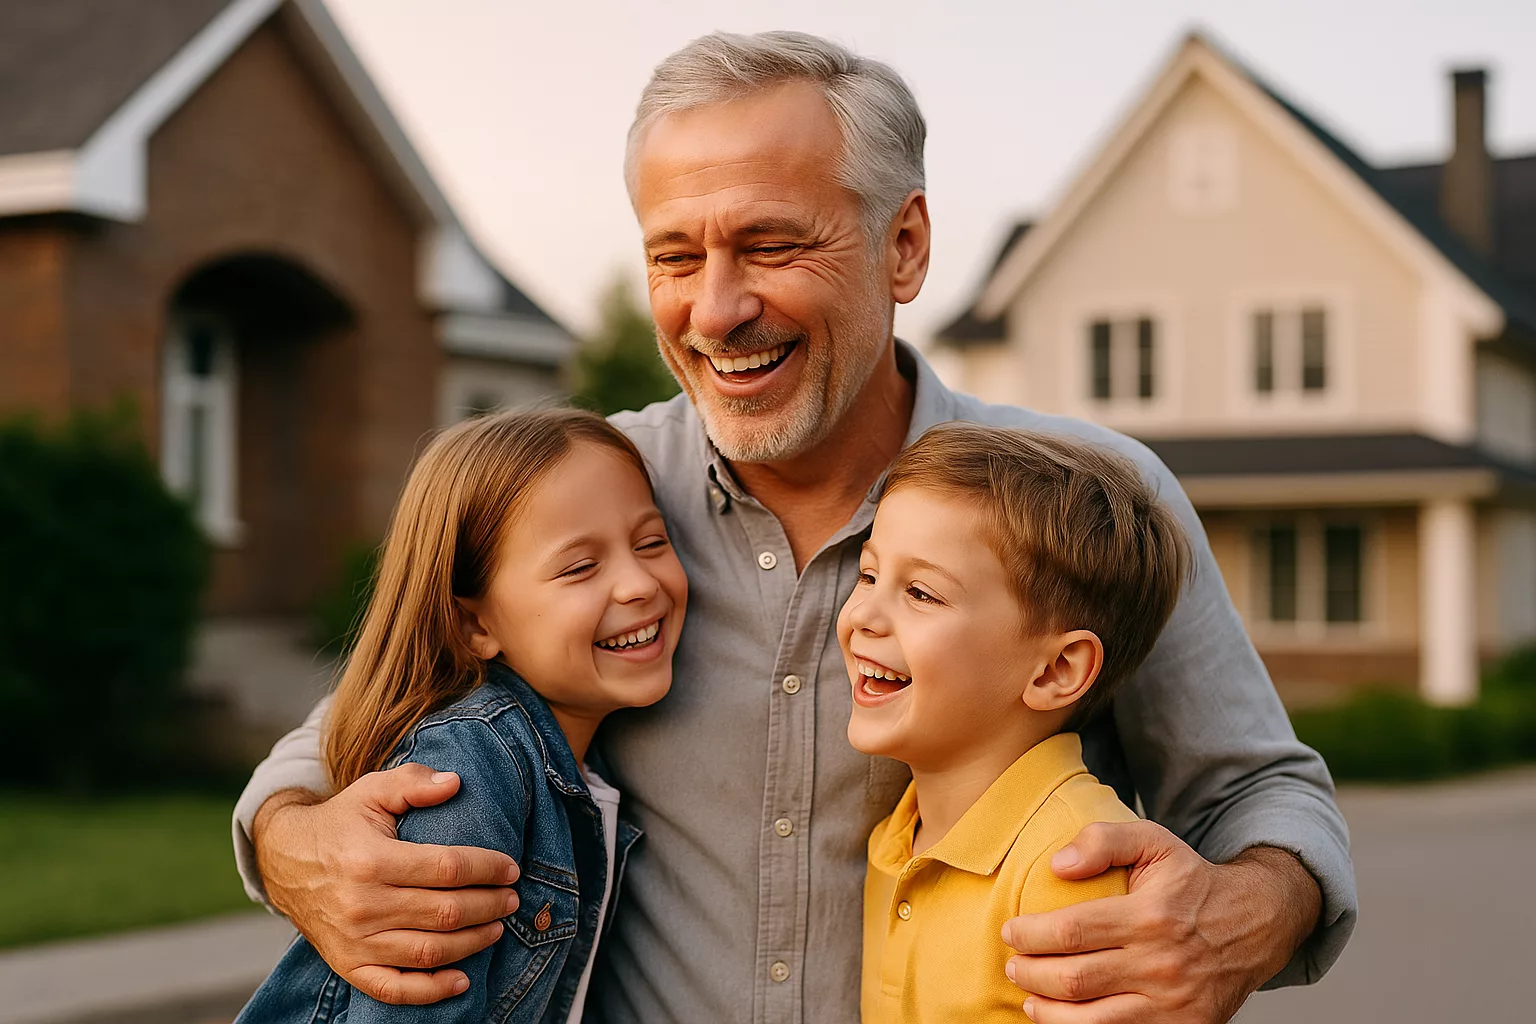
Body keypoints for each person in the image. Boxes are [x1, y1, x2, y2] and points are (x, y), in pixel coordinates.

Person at [232, 31, 1357, 1024]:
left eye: (770, 245)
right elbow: (341, 747)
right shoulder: (584, 498)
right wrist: (297, 850)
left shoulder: (1093, 497)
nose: (715, 309)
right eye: (676, 256)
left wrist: (1243, 913)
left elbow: (1260, 790)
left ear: (904, 246)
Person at [235, 408, 687, 1022]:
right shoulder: (469, 770)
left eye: (652, 542)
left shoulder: (560, 757)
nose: (638, 583)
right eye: (581, 567)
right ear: (476, 623)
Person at [845, 424, 1189, 1022]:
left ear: (1055, 669)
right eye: (869, 575)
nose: (863, 616)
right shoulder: (896, 837)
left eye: (922, 593)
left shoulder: (1071, 868)